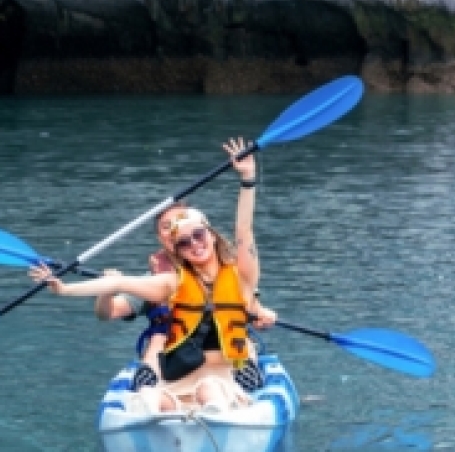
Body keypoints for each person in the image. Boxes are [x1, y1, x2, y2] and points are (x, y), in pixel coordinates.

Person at [31, 137, 276, 412]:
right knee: (150, 396)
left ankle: (214, 419)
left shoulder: (242, 274)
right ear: (177, 251)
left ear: (212, 234)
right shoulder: (173, 282)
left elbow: (244, 231)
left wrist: (247, 179)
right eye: (184, 242)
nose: (194, 244)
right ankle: (152, 418)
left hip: (226, 372)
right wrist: (63, 290)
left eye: (198, 234)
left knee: (210, 390)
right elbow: (119, 282)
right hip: (181, 374)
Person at [94, 201, 274, 393]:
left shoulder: (228, 274)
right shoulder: (154, 281)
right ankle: (156, 392)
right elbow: (108, 312)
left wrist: (261, 314)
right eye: (167, 226)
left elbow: (251, 306)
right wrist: (108, 288)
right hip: (171, 352)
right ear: (162, 238)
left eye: (182, 221)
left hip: (223, 348)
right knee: (158, 339)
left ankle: (234, 389)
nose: (177, 227)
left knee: (236, 350)